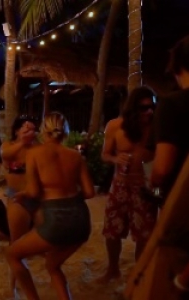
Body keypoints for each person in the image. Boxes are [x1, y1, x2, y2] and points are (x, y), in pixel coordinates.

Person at [7, 112, 95, 300]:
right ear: (65, 133)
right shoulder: (76, 156)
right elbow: (89, 192)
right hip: (81, 221)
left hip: (55, 220)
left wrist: (22, 196)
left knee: (13, 255)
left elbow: (32, 192)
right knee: (53, 265)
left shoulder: (34, 154)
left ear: (43, 132)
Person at [98, 86, 158, 283]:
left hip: (145, 186)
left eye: (152, 107)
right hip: (120, 185)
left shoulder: (156, 127)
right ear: (133, 108)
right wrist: (116, 158)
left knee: (144, 232)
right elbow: (104, 155)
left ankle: (138, 272)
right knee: (112, 230)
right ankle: (113, 268)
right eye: (144, 108)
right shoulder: (115, 126)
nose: (149, 112)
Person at [146, 35, 189, 291]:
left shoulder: (173, 104)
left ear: (177, 66)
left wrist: (154, 190)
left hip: (182, 209)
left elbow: (161, 169)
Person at [0, 115, 39, 296]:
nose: (28, 129)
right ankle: (13, 286)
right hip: (17, 197)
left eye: (31, 127)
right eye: (24, 127)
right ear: (16, 130)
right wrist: (22, 143)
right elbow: (4, 155)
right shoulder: (9, 146)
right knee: (16, 244)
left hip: (38, 197)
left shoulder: (38, 147)